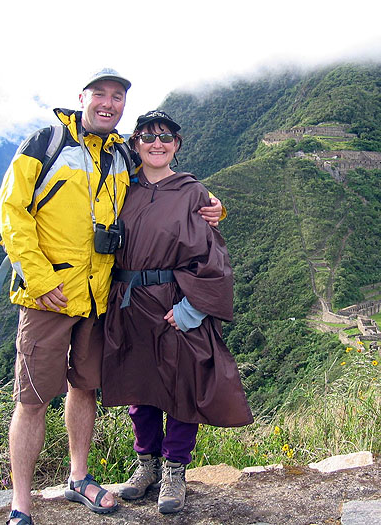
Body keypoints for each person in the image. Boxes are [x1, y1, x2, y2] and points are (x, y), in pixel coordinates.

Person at [0, 70, 223, 525]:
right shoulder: (46, 143)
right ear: (83, 97)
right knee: (33, 397)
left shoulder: (120, 154)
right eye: (99, 93)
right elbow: (10, 210)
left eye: (116, 96)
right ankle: (21, 504)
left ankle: (79, 478)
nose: (107, 102)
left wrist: (214, 204)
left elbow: (172, 189)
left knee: (84, 389)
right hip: (50, 297)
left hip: (100, 299)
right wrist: (39, 280)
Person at [101, 110, 253, 514]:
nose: (157, 143)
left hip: (174, 304)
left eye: (166, 136)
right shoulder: (119, 190)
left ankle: (174, 471)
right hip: (129, 303)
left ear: (177, 146)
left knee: (181, 388)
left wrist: (192, 309)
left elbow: (213, 256)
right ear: (135, 144)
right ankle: (145, 466)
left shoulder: (194, 194)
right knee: (141, 388)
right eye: (148, 136)